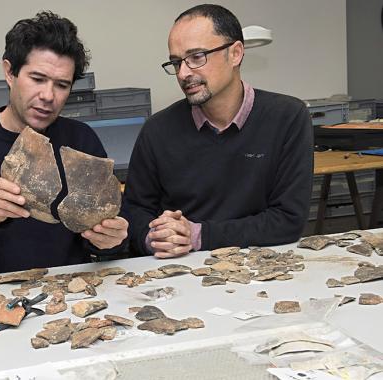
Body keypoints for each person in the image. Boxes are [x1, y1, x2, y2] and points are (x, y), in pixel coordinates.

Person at [0, 11, 128, 277]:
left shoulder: (81, 139)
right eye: (37, 79)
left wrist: (111, 241)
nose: (48, 96)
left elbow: (108, 243)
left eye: (61, 85)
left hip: (67, 290)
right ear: (10, 72)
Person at [123, 4, 313, 258]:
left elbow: (288, 220)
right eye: (176, 62)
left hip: (261, 264)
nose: (183, 73)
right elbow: (134, 212)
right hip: (179, 269)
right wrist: (155, 238)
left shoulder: (288, 117)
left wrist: (198, 235)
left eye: (196, 57)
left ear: (235, 53)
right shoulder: (157, 130)